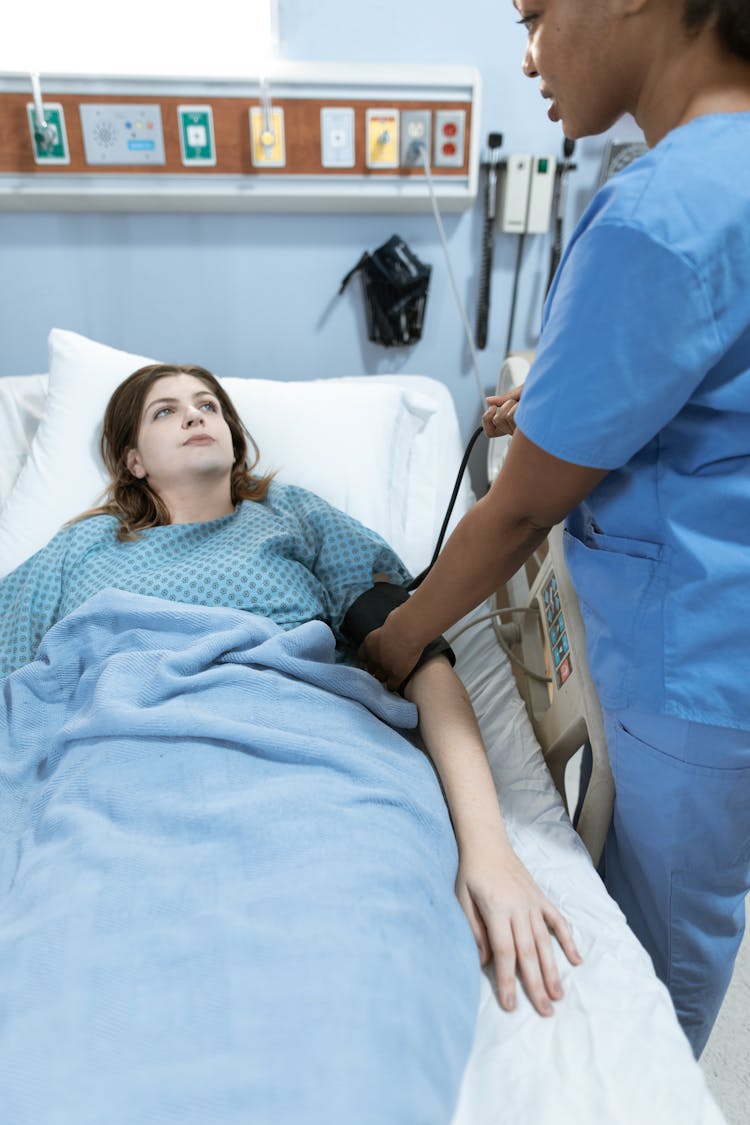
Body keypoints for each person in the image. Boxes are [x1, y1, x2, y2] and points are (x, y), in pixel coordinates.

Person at [360, 0, 750, 1058]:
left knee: (652, 979)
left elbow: (523, 506)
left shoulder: (659, 212)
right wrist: (555, 409)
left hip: (698, 674)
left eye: (534, 15)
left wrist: (398, 639)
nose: (525, 55)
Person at [0, 361, 581, 1019]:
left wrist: (489, 847)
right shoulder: (83, 548)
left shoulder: (296, 519)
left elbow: (419, 658)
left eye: (208, 406)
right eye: (165, 411)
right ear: (132, 459)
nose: (195, 415)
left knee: (347, 962)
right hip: (116, 767)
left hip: (309, 761)